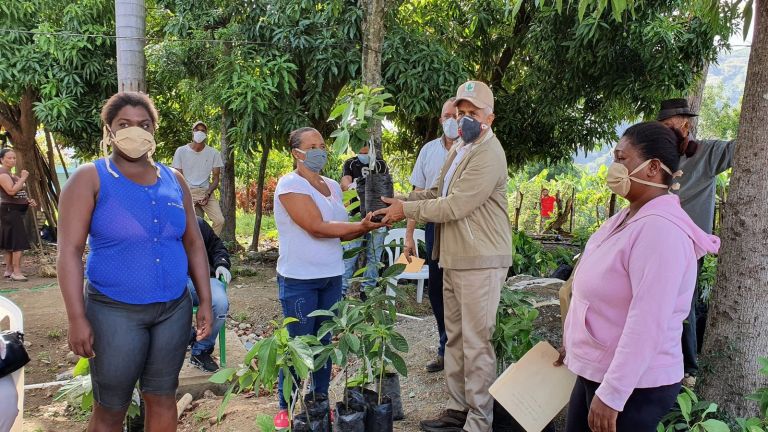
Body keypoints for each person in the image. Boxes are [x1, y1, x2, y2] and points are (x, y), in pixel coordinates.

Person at [57, 92, 213, 432]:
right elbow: (68, 251)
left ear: (154, 131)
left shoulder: (175, 180)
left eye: (143, 125)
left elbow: (194, 242)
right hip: (114, 311)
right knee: (111, 408)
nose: (134, 132)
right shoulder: (90, 178)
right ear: (109, 131)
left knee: (162, 397)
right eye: (123, 124)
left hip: (172, 309)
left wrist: (205, 301)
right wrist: (76, 318)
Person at [555, 122, 720, 432]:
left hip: (634, 385)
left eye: (621, 158)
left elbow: (648, 321)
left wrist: (614, 395)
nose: (613, 168)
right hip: (602, 370)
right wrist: (576, 343)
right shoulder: (627, 217)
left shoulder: (661, 231)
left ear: (652, 168)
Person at [374, 81, 512, 432]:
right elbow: (437, 191)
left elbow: (456, 204)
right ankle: (456, 409)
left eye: (472, 114)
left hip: (481, 260)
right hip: (453, 257)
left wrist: (407, 209)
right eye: (460, 113)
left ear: (490, 118)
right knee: (455, 338)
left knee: (477, 343)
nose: (463, 120)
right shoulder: (461, 149)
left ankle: (479, 422)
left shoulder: (489, 154)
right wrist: (401, 199)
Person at [272, 127, 386, 428]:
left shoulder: (333, 185)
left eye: (322, 145)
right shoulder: (289, 185)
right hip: (299, 279)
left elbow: (342, 220)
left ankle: (319, 401)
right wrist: (361, 228)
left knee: (324, 344)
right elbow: (317, 227)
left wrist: (372, 213)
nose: (319, 151)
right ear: (297, 152)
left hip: (332, 276)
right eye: (312, 146)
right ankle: (286, 406)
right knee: (300, 344)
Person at [657, 98, 736, 385]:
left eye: (670, 126)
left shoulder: (707, 153)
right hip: (657, 242)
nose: (666, 131)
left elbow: (745, 147)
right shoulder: (658, 158)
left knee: (684, 304)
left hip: (690, 246)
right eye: (661, 126)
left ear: (686, 125)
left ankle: (688, 368)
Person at [404, 97, 458, 373]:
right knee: (436, 291)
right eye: (446, 116)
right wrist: (409, 236)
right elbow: (418, 194)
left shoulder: (472, 150)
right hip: (434, 227)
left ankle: (460, 354)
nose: (451, 120)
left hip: (461, 229)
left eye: (456, 115)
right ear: (440, 120)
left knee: (459, 290)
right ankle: (444, 349)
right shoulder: (428, 151)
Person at [339, 145, 389, 296]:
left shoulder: (381, 164)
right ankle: (340, 291)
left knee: (374, 255)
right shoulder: (351, 163)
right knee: (350, 254)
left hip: (377, 216)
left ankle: (367, 292)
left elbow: (386, 186)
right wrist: (351, 186)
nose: (363, 152)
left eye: (366, 149)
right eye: (360, 149)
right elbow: (344, 183)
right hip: (356, 215)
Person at [188, 216, 231, 373]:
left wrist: (222, 264)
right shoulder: (155, 224)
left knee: (220, 302)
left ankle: (201, 350)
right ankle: (189, 336)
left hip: (204, 278)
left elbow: (218, 246)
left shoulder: (197, 223)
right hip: (172, 281)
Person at [172, 121, 225, 234]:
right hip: (187, 191)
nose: (199, 132)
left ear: (206, 134)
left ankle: (210, 246)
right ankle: (196, 249)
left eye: (202, 130)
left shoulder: (213, 153)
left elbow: (216, 178)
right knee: (195, 225)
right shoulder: (181, 151)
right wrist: (188, 196)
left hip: (205, 191)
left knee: (219, 221)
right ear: (192, 132)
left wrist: (208, 193)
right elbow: (178, 177)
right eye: (197, 130)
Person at [0, 148, 37, 281]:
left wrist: (27, 200)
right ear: (2, 159)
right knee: (18, 242)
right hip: (11, 211)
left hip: (13, 210)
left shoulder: (11, 175)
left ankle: (9, 270)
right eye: (9, 158)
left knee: (10, 240)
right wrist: (23, 178)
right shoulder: (3, 174)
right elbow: (11, 191)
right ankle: (16, 272)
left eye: (14, 158)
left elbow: (19, 193)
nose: (13, 160)